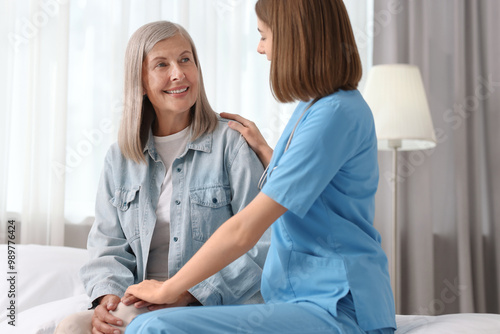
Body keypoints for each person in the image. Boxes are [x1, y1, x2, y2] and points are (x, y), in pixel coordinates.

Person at [123, 0, 397, 333]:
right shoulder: (313, 108)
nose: (261, 48)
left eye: (265, 35)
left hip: (337, 305)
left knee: (154, 328)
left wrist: (168, 288)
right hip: (300, 299)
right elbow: (312, 189)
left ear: (296, 38)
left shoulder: (335, 113)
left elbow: (244, 231)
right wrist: (269, 151)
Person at [55, 21, 269, 334]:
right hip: (143, 302)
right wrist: (109, 301)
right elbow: (108, 245)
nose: (178, 73)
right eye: (161, 64)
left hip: (214, 303)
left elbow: (262, 243)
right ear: (140, 81)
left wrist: (187, 293)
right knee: (72, 326)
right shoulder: (120, 157)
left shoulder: (231, 144)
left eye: (185, 59)